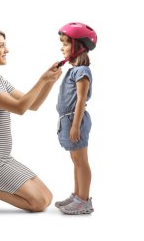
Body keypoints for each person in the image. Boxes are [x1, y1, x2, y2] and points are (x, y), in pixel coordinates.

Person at [0, 28, 62, 213]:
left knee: (47, 197)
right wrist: (42, 79)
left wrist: (50, 82)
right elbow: (19, 108)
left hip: (3, 157)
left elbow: (32, 105)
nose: (7, 50)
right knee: (38, 204)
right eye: (1, 45)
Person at [54, 22, 97, 215]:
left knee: (81, 161)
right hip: (69, 119)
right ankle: (78, 195)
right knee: (76, 160)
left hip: (75, 120)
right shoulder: (73, 70)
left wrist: (75, 126)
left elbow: (80, 100)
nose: (61, 47)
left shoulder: (82, 71)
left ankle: (84, 201)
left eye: (65, 43)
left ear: (78, 46)